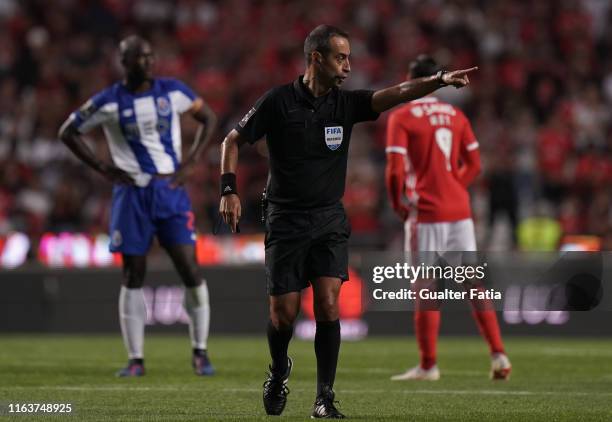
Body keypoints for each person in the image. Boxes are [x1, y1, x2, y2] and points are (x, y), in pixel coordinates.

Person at [219, 26, 476, 418]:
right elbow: (231, 141)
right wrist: (228, 190)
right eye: (341, 58)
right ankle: (278, 370)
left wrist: (437, 80)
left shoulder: (346, 105)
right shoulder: (277, 101)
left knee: (328, 304)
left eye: (350, 58)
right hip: (285, 220)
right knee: (282, 315)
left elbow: (396, 93)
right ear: (316, 58)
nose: (348, 66)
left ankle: (324, 398)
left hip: (329, 220)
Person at [58, 35, 218, 377]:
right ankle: (136, 359)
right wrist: (103, 168)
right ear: (124, 61)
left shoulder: (173, 91)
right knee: (133, 274)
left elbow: (210, 118)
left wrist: (190, 163)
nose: (147, 62)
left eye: (150, 56)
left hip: (169, 190)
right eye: (139, 57)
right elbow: (68, 132)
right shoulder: (109, 101)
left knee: (190, 268)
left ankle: (200, 353)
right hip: (131, 195)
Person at [385, 55, 511, 381]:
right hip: (460, 212)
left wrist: (398, 204)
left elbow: (395, 170)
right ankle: (499, 355)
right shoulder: (455, 114)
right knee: (473, 284)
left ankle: (428, 366)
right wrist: (455, 187)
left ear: (411, 82)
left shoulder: (402, 115)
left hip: (425, 213)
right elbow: (475, 165)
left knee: (427, 289)